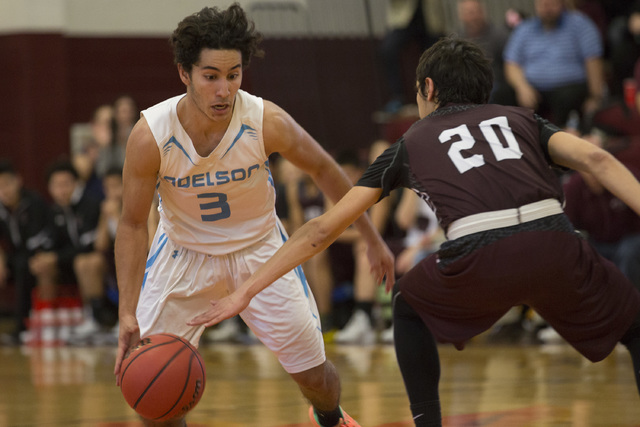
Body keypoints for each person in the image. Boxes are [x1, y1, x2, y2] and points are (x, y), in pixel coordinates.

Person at [188, 37, 640, 426]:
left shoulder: (411, 142)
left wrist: (245, 291)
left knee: (407, 305)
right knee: (635, 325)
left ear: (427, 89)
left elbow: (322, 229)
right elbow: (597, 160)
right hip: (555, 242)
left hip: (480, 255)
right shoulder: (522, 119)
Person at [112, 4, 393, 427]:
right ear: (184, 74)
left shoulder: (266, 120)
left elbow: (324, 169)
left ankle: (330, 419)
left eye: (234, 74)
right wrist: (127, 311)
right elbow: (133, 224)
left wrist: (371, 238)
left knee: (317, 378)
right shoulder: (151, 135)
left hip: (261, 251)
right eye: (211, 76)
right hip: (182, 256)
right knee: (154, 396)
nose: (224, 89)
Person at [27, 160, 107, 345]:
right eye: (56, 185)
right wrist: (43, 257)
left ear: (77, 183)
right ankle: (49, 325)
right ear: (49, 187)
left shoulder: (91, 204)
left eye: (66, 184)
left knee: (85, 262)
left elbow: (89, 246)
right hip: (67, 264)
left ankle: (94, 319)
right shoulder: (54, 211)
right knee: (42, 266)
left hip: (97, 264)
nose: (61, 190)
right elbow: (49, 242)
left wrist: (55, 257)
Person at [504, 0, 605, 129]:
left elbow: (593, 61)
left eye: (551, 4)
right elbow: (511, 64)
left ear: (561, 3)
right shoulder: (525, 29)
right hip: (533, 90)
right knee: (504, 94)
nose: (547, 9)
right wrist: (522, 87)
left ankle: (559, 141)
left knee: (567, 97)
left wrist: (595, 97)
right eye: (543, 5)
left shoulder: (580, 24)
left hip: (569, 87)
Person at [0, 160, 50, 345]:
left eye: (6, 183)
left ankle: (22, 327)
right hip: (15, 256)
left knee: (23, 266)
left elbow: (37, 242)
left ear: (17, 181)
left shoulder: (33, 202)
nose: (3, 190)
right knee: (17, 264)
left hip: (38, 253)